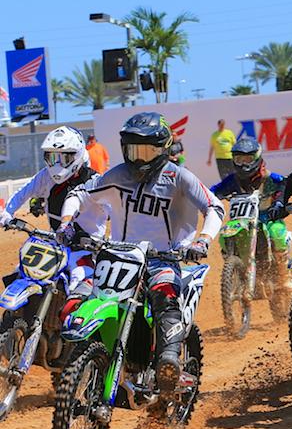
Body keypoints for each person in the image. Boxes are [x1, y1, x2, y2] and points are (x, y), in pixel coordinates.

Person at [60, 112, 224, 393]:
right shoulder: (118, 175)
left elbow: (214, 207)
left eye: (146, 151)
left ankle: (168, 362)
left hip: (164, 258)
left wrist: (203, 241)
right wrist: (66, 222)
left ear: (162, 149)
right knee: (82, 293)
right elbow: (80, 193)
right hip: (119, 257)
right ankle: (83, 359)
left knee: (164, 294)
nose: (138, 159)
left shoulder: (178, 177)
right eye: (133, 150)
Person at [0, 126, 104, 304]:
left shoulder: (95, 182)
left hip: (86, 249)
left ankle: (75, 319)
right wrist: (6, 213)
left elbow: (117, 209)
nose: (57, 165)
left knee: (79, 283)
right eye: (52, 158)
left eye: (64, 158)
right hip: (55, 243)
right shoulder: (45, 177)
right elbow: (22, 193)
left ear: (78, 155)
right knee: (21, 271)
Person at [210, 135, 292, 290]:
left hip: (268, 218)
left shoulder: (269, 177)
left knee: (276, 233)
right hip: (241, 221)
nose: (243, 164)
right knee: (225, 235)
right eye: (239, 160)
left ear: (256, 158)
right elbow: (212, 191)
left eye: (247, 160)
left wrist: (281, 199)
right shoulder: (233, 180)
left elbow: (291, 186)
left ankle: (284, 275)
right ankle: (235, 269)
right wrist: (208, 197)